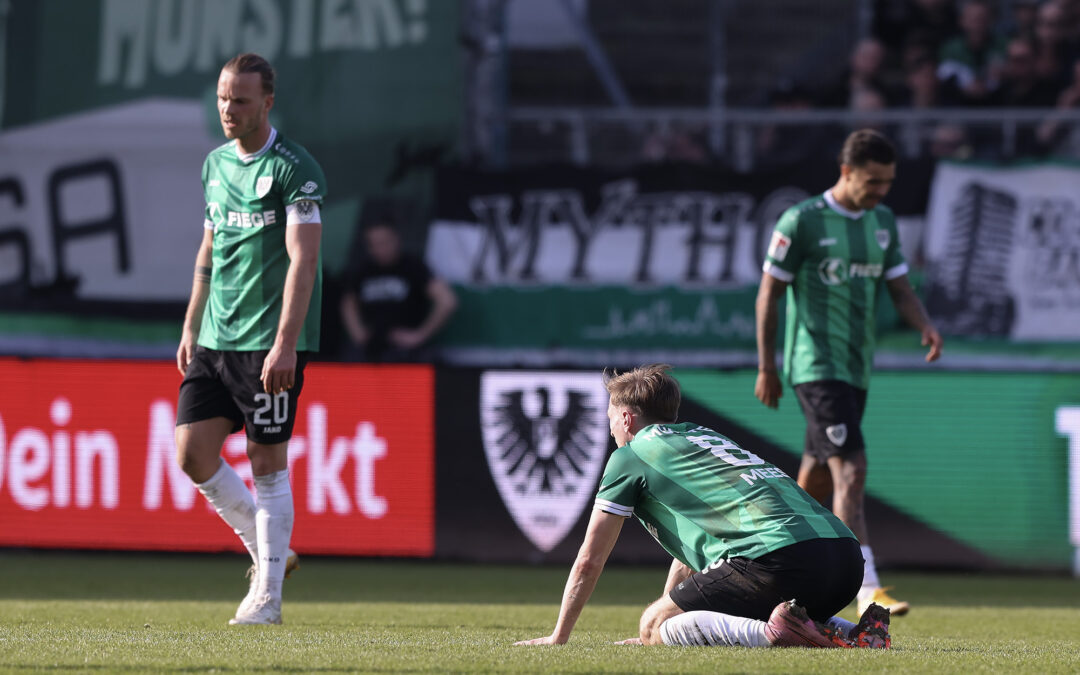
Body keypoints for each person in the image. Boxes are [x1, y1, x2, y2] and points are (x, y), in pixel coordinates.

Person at [515, 364, 891, 649]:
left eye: (611, 418)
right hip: (844, 559)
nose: (611, 427)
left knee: (652, 625)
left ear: (627, 418)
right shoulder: (704, 436)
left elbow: (589, 559)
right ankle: (854, 631)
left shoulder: (630, 456)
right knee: (665, 622)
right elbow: (691, 554)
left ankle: (772, 631)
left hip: (779, 560)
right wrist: (671, 610)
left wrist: (559, 636)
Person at [754, 129, 943, 619]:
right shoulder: (802, 221)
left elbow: (899, 287)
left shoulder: (881, 221)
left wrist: (924, 325)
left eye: (888, 182)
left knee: (814, 481)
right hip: (815, 365)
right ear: (846, 171)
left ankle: (766, 562)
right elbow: (769, 294)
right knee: (852, 470)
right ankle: (864, 585)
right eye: (873, 181)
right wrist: (766, 364)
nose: (881, 191)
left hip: (857, 368)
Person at [174, 52, 327, 625]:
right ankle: (272, 556)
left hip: (268, 341)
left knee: (267, 462)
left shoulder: (294, 168)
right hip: (215, 336)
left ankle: (267, 599)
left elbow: (303, 260)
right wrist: (191, 323)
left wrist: (286, 344)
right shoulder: (215, 165)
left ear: (267, 101)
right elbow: (209, 252)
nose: (228, 109)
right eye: (222, 98)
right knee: (191, 453)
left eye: (240, 100)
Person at [339, 219, 458, 362]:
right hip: (370, 349)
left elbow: (447, 301)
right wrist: (358, 335)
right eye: (373, 244)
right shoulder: (363, 271)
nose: (379, 248)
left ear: (396, 240)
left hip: (406, 352)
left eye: (384, 242)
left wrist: (419, 335)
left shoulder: (413, 267)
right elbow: (348, 304)